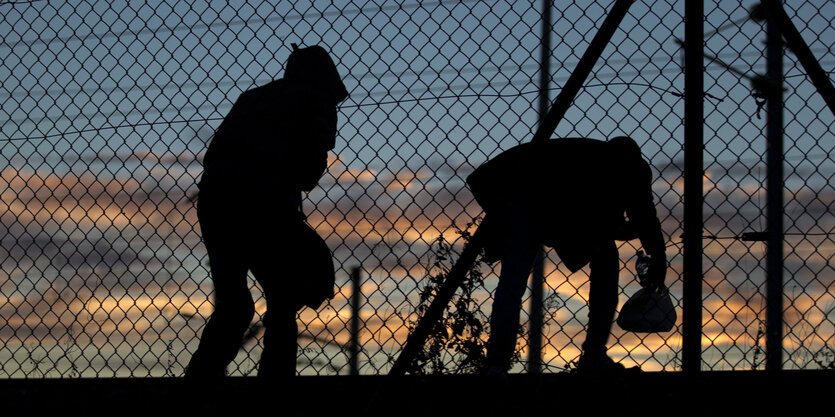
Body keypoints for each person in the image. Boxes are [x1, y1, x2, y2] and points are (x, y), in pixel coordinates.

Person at [185, 44, 348, 379]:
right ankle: (274, 394)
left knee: (234, 306)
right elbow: (308, 175)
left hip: (217, 201)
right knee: (283, 301)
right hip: (265, 205)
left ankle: (197, 386)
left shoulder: (254, 98)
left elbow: (216, 157)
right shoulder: (317, 103)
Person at [465, 136, 667, 376]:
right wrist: (657, 254)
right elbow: (632, 214)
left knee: (516, 278)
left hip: (535, 199)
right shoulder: (601, 166)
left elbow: (632, 215)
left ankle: (499, 363)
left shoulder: (611, 166)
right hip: (527, 197)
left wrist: (653, 250)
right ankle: (502, 361)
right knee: (517, 277)